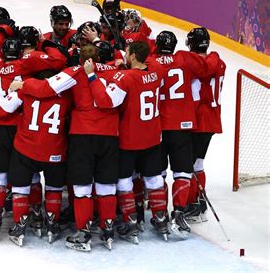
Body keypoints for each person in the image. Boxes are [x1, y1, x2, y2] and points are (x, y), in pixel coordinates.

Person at [10, 45, 121, 251]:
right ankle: (108, 230)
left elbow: (44, 89)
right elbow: (116, 101)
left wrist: (22, 84)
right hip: (110, 136)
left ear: (80, 59)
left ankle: (84, 233)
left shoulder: (75, 72)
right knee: (107, 186)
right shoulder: (116, 73)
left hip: (83, 135)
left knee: (82, 188)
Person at [0, 27, 67, 241]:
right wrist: (46, 44)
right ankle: (37, 216)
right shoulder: (27, 65)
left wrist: (0, 31)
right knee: (32, 174)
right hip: (22, 128)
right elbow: (57, 61)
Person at [85, 41, 167, 243]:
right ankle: (161, 218)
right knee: (154, 178)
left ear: (131, 56)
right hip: (153, 137)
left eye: (128, 53)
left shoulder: (125, 78)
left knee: (124, 180)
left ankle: (130, 222)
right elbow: (148, 69)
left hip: (129, 139)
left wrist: (92, 76)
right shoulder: (157, 72)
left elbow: (106, 102)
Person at [150, 30, 209, 238]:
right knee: (182, 172)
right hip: (182, 126)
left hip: (157, 126)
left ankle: (159, 214)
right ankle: (179, 213)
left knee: (159, 173)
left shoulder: (150, 61)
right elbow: (205, 68)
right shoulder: (184, 57)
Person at [184, 27, 226, 222]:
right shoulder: (220, 62)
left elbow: (202, 70)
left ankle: (193, 205)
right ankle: (198, 202)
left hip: (199, 118)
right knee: (198, 162)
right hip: (212, 117)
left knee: (190, 163)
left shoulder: (197, 66)